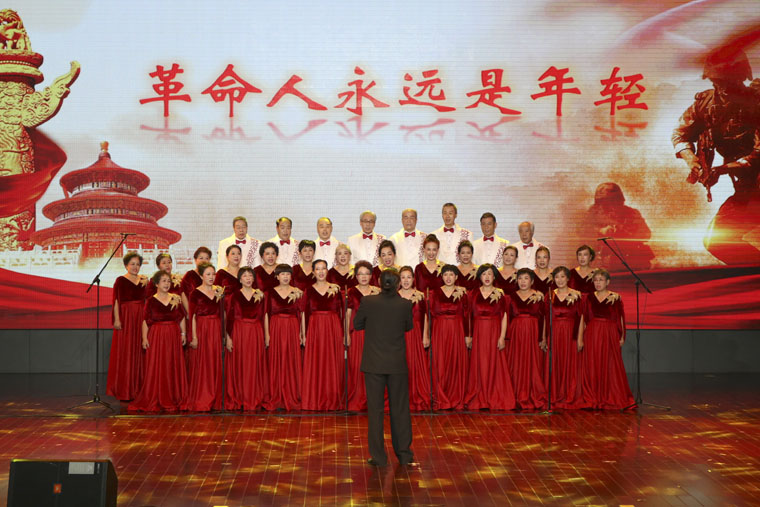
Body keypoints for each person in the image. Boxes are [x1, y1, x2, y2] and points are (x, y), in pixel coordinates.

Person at [672, 48, 760, 265]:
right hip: (748, 190)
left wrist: (723, 169)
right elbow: (680, 134)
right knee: (718, 242)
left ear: (742, 77)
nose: (725, 88)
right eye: (719, 82)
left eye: (730, 81)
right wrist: (691, 159)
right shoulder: (705, 104)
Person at [354, 269, 415, 467]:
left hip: (373, 364)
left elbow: (357, 324)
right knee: (400, 410)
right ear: (398, 284)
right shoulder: (405, 304)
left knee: (376, 411)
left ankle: (379, 457)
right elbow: (408, 327)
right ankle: (404, 454)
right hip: (396, 364)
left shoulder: (368, 302)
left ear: (379, 283)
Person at [128, 270, 187, 413]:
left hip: (173, 336)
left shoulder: (175, 298)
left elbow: (181, 318)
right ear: (156, 284)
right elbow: (145, 321)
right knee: (157, 365)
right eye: (163, 281)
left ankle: (173, 396)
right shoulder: (151, 301)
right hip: (157, 336)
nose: (167, 284)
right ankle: (156, 395)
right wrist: (144, 338)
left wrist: (183, 333)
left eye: (168, 281)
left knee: (172, 365)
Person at [577, 268, 635, 410]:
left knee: (610, 364)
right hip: (592, 334)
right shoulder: (588, 298)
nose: (598, 283)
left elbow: (620, 318)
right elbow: (583, 318)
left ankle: (609, 395)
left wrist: (622, 336)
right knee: (593, 364)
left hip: (609, 334)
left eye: (601, 280)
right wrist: (580, 338)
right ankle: (593, 396)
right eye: (596, 280)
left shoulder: (615, 298)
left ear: (608, 282)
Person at [464, 264, 515, 411]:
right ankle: (479, 395)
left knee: (494, 363)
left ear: (494, 276)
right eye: (484, 274)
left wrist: (502, 337)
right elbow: (468, 316)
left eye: (490, 274)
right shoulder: (472, 294)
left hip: (494, 332)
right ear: (479, 276)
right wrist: (469, 335)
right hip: (478, 332)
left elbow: (504, 316)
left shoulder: (500, 294)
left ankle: (494, 395)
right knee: (479, 363)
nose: (487, 277)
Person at [224, 266, 271, 411]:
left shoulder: (260, 295)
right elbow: (228, 317)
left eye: (250, 276)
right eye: (244, 276)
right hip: (239, 332)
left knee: (255, 363)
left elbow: (264, 316)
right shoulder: (233, 296)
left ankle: (255, 396)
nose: (248, 278)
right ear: (240, 279)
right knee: (240, 364)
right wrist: (228, 337)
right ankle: (241, 396)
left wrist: (266, 335)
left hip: (256, 332)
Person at [301, 260, 345, 411]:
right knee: (316, 362)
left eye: (323, 269)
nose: (321, 272)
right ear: (313, 272)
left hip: (333, 328)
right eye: (318, 269)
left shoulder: (336, 289)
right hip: (315, 329)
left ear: (327, 271)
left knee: (332, 361)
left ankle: (332, 399)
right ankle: (315, 399)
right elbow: (304, 313)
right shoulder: (308, 290)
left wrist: (342, 332)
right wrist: (304, 333)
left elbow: (342, 313)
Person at [581, 182, 654, 271]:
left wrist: (625, 233)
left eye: (614, 200)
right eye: (607, 201)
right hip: (604, 262)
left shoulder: (632, 213)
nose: (612, 205)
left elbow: (646, 234)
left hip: (631, 261)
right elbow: (581, 231)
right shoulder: (593, 213)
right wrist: (600, 230)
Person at [107, 251, 148, 401]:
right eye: (132, 264)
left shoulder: (144, 280)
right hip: (126, 317)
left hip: (141, 316)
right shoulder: (120, 280)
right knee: (126, 350)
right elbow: (116, 301)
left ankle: (140, 388)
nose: (135, 267)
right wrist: (117, 319)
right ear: (126, 265)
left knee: (140, 350)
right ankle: (125, 389)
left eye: (138, 264)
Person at [183, 263, 224, 412]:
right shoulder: (195, 293)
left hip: (216, 328)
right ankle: (203, 397)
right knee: (204, 362)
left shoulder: (219, 291)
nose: (211, 277)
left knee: (215, 361)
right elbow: (192, 316)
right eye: (208, 274)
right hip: (202, 329)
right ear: (201, 276)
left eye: (213, 274)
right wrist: (194, 337)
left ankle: (216, 398)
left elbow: (223, 313)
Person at [428, 264, 469, 410]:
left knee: (454, 362)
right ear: (441, 276)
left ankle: (455, 396)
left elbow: (467, 315)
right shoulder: (433, 293)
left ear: (456, 277)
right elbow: (429, 315)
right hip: (439, 331)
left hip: (456, 330)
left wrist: (468, 335)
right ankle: (439, 395)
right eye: (445, 274)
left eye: (451, 274)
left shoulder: (462, 293)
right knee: (439, 362)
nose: (448, 277)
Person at [506, 268, 547, 410]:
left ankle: (532, 393)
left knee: (532, 362)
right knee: (516, 362)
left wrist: (543, 337)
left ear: (532, 281)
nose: (523, 281)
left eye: (526, 278)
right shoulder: (511, 297)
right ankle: (515, 393)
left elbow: (543, 318)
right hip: (516, 332)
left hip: (533, 332)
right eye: (520, 278)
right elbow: (507, 317)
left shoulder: (539, 296)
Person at [543, 266, 582, 409]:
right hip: (554, 333)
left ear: (568, 278)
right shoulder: (549, 295)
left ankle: (568, 394)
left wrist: (580, 338)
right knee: (555, 362)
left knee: (569, 363)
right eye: (556, 277)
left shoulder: (576, 295)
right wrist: (544, 337)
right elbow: (545, 317)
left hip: (570, 333)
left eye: (562, 277)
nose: (559, 280)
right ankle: (554, 394)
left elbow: (581, 317)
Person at [265, 263, 304, 410]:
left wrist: (302, 333)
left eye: (288, 274)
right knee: (276, 359)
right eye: (282, 274)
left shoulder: (297, 292)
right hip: (276, 327)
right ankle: (276, 395)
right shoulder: (269, 292)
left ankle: (292, 394)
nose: (285, 277)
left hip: (292, 327)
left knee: (291, 360)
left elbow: (301, 314)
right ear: (277, 276)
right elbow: (266, 314)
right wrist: (267, 334)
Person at [345, 260, 380, 411]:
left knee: (375, 367)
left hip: (375, 335)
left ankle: (373, 399)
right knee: (357, 365)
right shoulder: (351, 292)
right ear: (356, 276)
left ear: (371, 276)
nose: (364, 277)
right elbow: (348, 315)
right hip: (358, 334)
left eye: (367, 274)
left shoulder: (378, 291)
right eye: (360, 274)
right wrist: (347, 334)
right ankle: (358, 398)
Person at [398, 266, 431, 411]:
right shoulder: (394, 295)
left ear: (413, 279)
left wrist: (425, 335)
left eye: (409, 277)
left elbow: (425, 317)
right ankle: (400, 398)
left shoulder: (420, 295)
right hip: (398, 336)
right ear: (399, 280)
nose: (406, 280)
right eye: (403, 277)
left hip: (416, 334)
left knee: (414, 365)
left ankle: (416, 395)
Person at [181, 247, 212, 315]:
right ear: (195, 260)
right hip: (194, 313)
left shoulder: (212, 276)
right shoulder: (189, 276)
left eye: (206, 258)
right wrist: (190, 313)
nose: (204, 261)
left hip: (209, 314)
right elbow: (183, 295)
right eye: (201, 258)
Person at [214, 244, 243, 310]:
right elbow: (215, 293)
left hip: (242, 308)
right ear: (227, 256)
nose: (236, 256)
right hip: (226, 308)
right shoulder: (221, 273)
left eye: (238, 253)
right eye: (233, 254)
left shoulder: (245, 273)